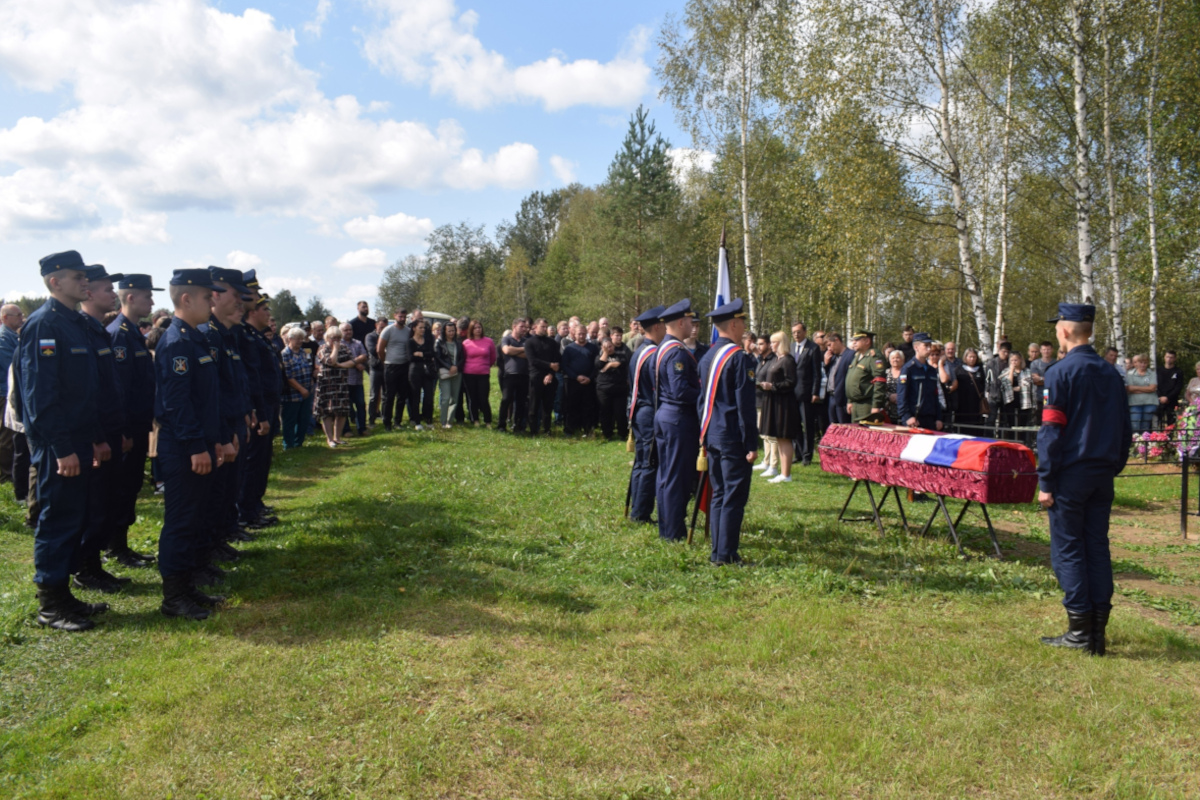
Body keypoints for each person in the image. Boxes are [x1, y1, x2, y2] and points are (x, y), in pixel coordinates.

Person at [20, 252, 111, 631]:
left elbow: (85, 392)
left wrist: (94, 440)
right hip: (61, 446)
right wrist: (62, 449)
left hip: (79, 441)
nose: (84, 282)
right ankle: (50, 604)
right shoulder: (44, 325)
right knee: (56, 520)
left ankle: (65, 596)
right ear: (55, 282)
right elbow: (41, 396)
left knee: (74, 517)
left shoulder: (74, 323)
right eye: (77, 277)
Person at [1038, 303, 1131, 656]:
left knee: (1069, 550)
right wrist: (1112, 465)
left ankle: (1080, 632)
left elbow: (1051, 431)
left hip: (1071, 475)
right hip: (1101, 473)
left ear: (1064, 331)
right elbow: (1126, 429)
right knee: (1097, 547)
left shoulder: (1060, 373)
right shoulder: (1111, 374)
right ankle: (1096, 634)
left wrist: (1046, 480)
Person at [155, 269, 227, 621]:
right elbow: (177, 404)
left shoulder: (194, 339)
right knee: (181, 520)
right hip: (183, 447)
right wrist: (197, 446)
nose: (213, 301)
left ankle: (186, 585)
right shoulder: (176, 342)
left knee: (194, 516)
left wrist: (210, 442)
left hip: (198, 443)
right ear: (187, 299)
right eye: (206, 296)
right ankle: (173, 596)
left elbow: (205, 401)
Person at [69, 264, 129, 595]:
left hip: (108, 431)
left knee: (103, 504)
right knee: (92, 507)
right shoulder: (82, 330)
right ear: (89, 292)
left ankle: (94, 565)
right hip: (95, 436)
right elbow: (86, 392)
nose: (113, 296)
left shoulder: (96, 330)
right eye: (108, 290)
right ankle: (84, 569)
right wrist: (98, 438)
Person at [104, 275, 160, 567]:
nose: (151, 302)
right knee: (122, 487)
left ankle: (121, 543)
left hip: (138, 426)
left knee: (132, 484)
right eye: (147, 296)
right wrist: (124, 431)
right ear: (129, 298)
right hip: (127, 430)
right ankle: (115, 546)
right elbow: (120, 389)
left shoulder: (132, 332)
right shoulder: (119, 335)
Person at [697, 299, 758, 565]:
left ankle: (717, 552)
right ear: (733, 323)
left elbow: (703, 401)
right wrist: (751, 443)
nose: (744, 327)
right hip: (733, 436)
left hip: (712, 434)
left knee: (720, 495)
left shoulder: (707, 356)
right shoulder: (739, 359)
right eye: (742, 321)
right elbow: (745, 406)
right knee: (732, 497)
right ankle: (726, 555)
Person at [654, 299, 701, 542]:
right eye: (691, 322)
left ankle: (667, 528)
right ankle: (672, 532)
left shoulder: (665, 346)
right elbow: (680, 390)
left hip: (668, 416)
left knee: (667, 475)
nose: (693, 326)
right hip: (678, 419)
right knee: (676, 478)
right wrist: (706, 395)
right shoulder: (676, 352)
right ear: (681, 322)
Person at [626, 308, 665, 523]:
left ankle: (637, 508)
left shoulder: (641, 350)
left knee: (642, 462)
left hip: (639, 411)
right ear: (657, 327)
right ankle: (640, 513)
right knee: (648, 463)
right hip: (649, 411)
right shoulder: (652, 354)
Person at [758, 332, 798, 482]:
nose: (771, 344)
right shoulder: (776, 359)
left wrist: (772, 386)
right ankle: (781, 471)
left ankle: (786, 474)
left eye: (774, 342)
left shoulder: (788, 360)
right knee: (779, 438)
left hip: (784, 404)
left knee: (784, 437)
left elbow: (791, 382)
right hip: (773, 401)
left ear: (781, 343)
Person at [789, 322, 823, 467]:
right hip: (792, 392)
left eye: (799, 332)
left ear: (805, 332)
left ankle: (807, 455)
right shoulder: (791, 347)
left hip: (806, 393)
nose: (796, 334)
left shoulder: (813, 348)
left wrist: (815, 392)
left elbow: (817, 373)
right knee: (795, 424)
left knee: (807, 425)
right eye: (794, 332)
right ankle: (798, 453)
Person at [315, 327, 354, 446]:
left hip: (341, 383)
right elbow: (330, 361)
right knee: (328, 412)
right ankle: (330, 439)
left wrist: (341, 365)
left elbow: (352, 362)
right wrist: (335, 349)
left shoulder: (345, 348)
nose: (337, 340)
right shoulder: (322, 348)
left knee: (341, 411)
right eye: (334, 338)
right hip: (327, 384)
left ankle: (337, 437)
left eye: (338, 338)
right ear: (327, 338)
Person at [897, 332, 943, 430]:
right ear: (916, 347)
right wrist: (907, 416)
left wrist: (938, 418)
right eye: (926, 346)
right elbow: (901, 395)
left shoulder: (931, 370)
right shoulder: (908, 368)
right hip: (915, 419)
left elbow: (935, 396)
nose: (929, 349)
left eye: (930, 345)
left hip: (930, 419)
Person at [525, 318, 561, 436]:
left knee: (548, 406)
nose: (545, 329)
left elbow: (557, 360)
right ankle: (533, 430)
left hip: (550, 377)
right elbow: (533, 360)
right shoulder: (530, 342)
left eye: (546, 327)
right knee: (534, 406)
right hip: (535, 377)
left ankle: (547, 430)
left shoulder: (552, 343)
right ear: (535, 327)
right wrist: (550, 365)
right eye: (542, 327)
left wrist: (551, 374)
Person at [377, 309, 411, 431]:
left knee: (402, 396)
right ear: (395, 316)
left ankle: (398, 422)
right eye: (400, 316)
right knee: (389, 396)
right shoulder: (388, 330)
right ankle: (387, 423)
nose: (402, 319)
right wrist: (385, 361)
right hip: (391, 366)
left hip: (404, 366)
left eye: (404, 317)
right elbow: (380, 349)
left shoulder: (408, 331)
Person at [843, 330, 887, 423]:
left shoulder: (874, 356)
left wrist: (876, 406)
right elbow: (853, 381)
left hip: (867, 405)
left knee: (866, 434)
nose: (854, 342)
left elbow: (879, 381)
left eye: (857, 340)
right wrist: (850, 401)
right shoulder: (857, 356)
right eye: (853, 340)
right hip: (855, 404)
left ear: (867, 341)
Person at [280, 327, 314, 448]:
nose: (300, 341)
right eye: (297, 338)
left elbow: (308, 369)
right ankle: (288, 444)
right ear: (289, 339)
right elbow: (288, 376)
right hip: (292, 393)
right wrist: (301, 389)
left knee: (304, 419)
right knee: (290, 420)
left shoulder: (303, 352)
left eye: (302, 338)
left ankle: (298, 442)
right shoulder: (285, 354)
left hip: (307, 391)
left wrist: (309, 387)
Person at [0, 304, 21, 486]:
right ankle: (5, 474)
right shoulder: (3, 338)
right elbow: (12, 365)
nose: (21, 317)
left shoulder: (12, 336)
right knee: (6, 435)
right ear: (5, 318)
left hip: (9, 391)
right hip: (4, 392)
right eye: (17, 315)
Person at [594, 334, 630, 441]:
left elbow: (620, 363)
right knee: (606, 412)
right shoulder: (598, 357)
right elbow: (599, 365)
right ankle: (607, 434)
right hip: (604, 389)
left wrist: (609, 365)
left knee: (620, 413)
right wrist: (605, 353)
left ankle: (622, 434)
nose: (609, 349)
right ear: (602, 348)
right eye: (606, 347)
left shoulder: (621, 355)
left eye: (610, 346)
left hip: (619, 389)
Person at [562, 326, 597, 436]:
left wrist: (590, 378)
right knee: (572, 406)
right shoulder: (569, 348)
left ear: (586, 333)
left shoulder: (593, 348)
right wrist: (575, 376)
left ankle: (587, 429)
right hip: (573, 381)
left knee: (588, 406)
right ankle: (570, 429)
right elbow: (564, 365)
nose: (581, 336)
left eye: (583, 334)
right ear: (574, 334)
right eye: (579, 334)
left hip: (589, 382)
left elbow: (597, 365)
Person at [752, 337, 779, 477]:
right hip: (758, 400)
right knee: (763, 433)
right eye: (757, 344)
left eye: (761, 343)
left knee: (771, 434)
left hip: (768, 400)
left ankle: (773, 465)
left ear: (769, 344)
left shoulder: (774, 360)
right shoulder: (761, 360)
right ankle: (766, 461)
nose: (758, 346)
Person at [461, 320, 496, 425]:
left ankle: (487, 421)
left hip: (483, 374)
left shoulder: (489, 341)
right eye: (475, 328)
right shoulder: (466, 343)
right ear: (471, 330)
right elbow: (463, 357)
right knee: (472, 398)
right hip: (469, 374)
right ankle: (474, 420)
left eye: (479, 327)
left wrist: (484, 366)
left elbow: (493, 357)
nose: (478, 330)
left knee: (483, 398)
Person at [499, 318, 529, 433]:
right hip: (510, 375)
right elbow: (506, 351)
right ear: (514, 326)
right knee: (506, 399)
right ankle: (502, 425)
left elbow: (528, 355)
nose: (524, 329)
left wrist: (514, 351)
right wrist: (522, 349)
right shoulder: (506, 339)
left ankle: (518, 425)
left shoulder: (527, 341)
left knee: (521, 401)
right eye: (521, 326)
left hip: (524, 375)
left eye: (525, 327)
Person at [338, 323, 369, 435]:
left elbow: (364, 356)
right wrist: (356, 363)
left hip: (357, 380)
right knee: (346, 406)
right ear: (340, 332)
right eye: (345, 330)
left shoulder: (358, 343)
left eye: (350, 329)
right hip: (344, 380)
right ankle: (346, 430)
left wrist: (353, 362)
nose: (348, 332)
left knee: (361, 404)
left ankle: (362, 428)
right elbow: (340, 360)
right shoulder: (338, 344)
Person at [406, 319, 436, 430]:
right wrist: (425, 355)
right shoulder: (410, 342)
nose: (423, 330)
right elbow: (410, 357)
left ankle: (429, 421)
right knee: (415, 397)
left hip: (428, 372)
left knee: (429, 397)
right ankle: (417, 422)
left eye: (424, 328)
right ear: (414, 328)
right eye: (420, 327)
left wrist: (420, 353)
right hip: (415, 372)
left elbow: (432, 353)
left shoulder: (428, 340)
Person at [434, 319, 463, 429]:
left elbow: (462, 358)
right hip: (445, 372)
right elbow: (438, 357)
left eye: (453, 330)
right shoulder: (439, 343)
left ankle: (450, 421)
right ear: (444, 331)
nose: (451, 333)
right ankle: (443, 421)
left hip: (457, 373)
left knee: (454, 398)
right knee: (445, 397)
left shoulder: (458, 344)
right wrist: (449, 367)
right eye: (449, 331)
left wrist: (456, 367)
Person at [953, 348, 987, 430]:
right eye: (970, 357)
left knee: (977, 425)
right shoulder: (959, 369)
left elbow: (983, 383)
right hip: (963, 403)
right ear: (966, 357)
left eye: (974, 357)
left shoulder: (980, 369)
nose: (972, 359)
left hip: (976, 402)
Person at [1125, 354, 1158, 433]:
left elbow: (1153, 388)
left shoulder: (1152, 373)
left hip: (1149, 403)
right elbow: (1129, 388)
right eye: (1141, 362)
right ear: (1137, 363)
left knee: (1145, 426)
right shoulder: (1130, 374)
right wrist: (1147, 389)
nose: (1143, 365)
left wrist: (1135, 388)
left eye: (1145, 363)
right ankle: (1135, 443)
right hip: (1134, 403)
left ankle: (1144, 443)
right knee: (1134, 425)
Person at [825, 333, 852, 425]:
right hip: (831, 397)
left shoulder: (851, 355)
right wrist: (826, 364)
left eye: (830, 345)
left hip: (843, 399)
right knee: (833, 428)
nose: (829, 349)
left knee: (844, 428)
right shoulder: (832, 358)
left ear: (837, 340)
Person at [365, 317, 386, 426]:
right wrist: (384, 348)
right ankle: (372, 419)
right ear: (376, 325)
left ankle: (385, 417)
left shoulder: (389, 336)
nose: (382, 329)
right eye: (381, 327)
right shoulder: (370, 336)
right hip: (375, 368)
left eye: (385, 327)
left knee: (385, 395)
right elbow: (373, 350)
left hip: (386, 368)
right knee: (374, 395)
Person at [1156, 351, 1183, 427]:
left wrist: (1168, 397)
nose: (1169, 359)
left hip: (1172, 401)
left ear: (1174, 359)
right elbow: (1154, 385)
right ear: (1164, 357)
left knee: (1171, 423)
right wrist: (1160, 397)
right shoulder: (1158, 371)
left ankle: (1170, 437)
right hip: (1159, 401)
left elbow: (1178, 387)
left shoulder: (1178, 372)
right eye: (1167, 357)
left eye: (1171, 357)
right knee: (1158, 422)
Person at [884, 350, 905, 423]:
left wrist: (900, 396)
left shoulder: (907, 372)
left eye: (898, 357)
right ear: (889, 360)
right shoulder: (885, 373)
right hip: (888, 409)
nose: (895, 360)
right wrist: (889, 396)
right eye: (893, 358)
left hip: (903, 408)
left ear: (903, 359)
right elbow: (880, 389)